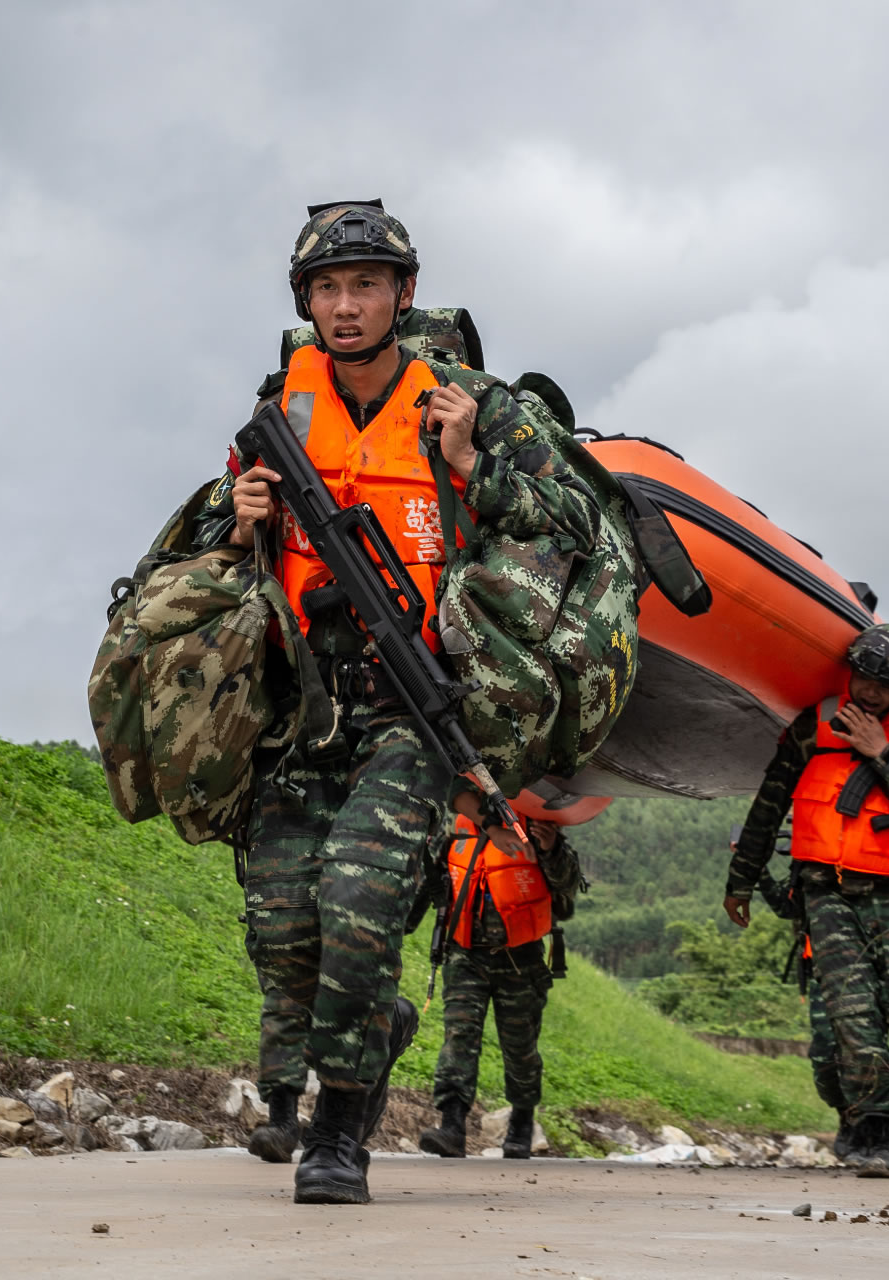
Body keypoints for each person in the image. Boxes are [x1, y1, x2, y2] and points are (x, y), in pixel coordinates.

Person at [190, 200, 601, 1205]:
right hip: (298, 708)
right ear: (306, 301)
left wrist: (471, 465)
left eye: (366, 284)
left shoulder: (475, 403)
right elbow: (205, 544)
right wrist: (235, 518)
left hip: (413, 709)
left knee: (362, 908)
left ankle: (340, 1133)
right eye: (327, 288)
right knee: (282, 935)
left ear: (402, 294)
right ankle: (375, 1035)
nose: (345, 304)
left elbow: (572, 526)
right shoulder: (276, 407)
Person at [723, 624, 889, 1178]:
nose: (868, 692)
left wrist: (882, 752)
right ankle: (877, 1131)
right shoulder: (814, 724)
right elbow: (769, 806)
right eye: (863, 677)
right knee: (851, 1017)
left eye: (884, 687)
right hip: (829, 890)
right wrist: (741, 879)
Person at [418, 816, 581, 1159]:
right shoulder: (457, 826)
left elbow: (567, 886)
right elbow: (428, 876)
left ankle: (522, 1121)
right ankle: (452, 1125)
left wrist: (551, 849)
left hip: (520, 956)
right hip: (465, 953)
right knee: (459, 1034)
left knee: (520, 1044)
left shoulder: (535, 829)